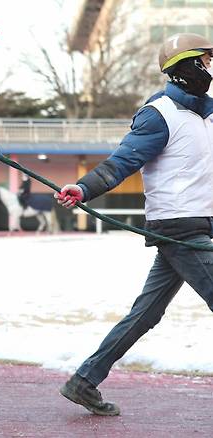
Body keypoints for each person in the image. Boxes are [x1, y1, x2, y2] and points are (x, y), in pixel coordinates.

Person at [55, 33, 213, 416]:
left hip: (198, 226)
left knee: (146, 313)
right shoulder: (158, 114)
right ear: (183, 69)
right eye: (203, 62)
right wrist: (84, 187)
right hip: (179, 229)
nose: (208, 70)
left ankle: (84, 380)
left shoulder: (208, 113)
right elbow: (122, 161)